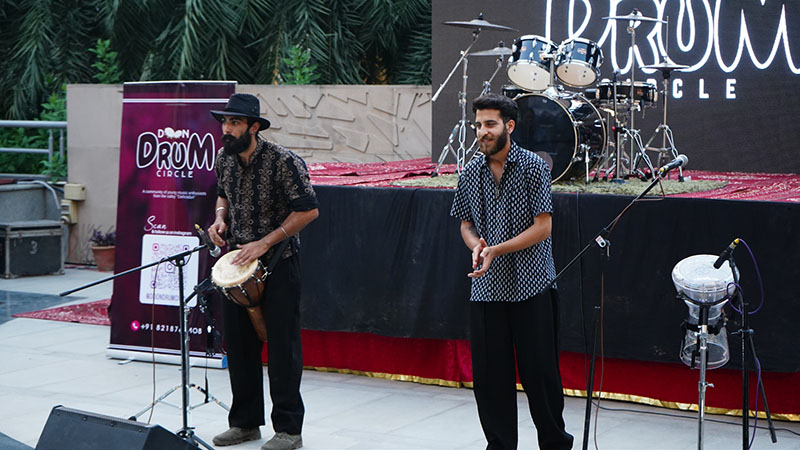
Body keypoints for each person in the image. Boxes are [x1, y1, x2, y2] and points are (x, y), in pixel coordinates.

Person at [450, 93, 573, 450]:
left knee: (541, 377)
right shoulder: (470, 171)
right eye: (478, 125)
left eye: (489, 124)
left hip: (532, 286)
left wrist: (496, 249)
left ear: (509, 126)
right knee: (490, 380)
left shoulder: (533, 166)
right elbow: (466, 224)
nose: (482, 132)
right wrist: (476, 245)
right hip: (487, 290)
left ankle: (554, 444)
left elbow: (543, 228)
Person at [208, 93, 319, 450]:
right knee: (239, 347)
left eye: (235, 123)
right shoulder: (224, 158)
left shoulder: (283, 161)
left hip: (279, 262)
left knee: (283, 349)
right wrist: (220, 218)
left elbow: (308, 211)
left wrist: (265, 243)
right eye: (225, 122)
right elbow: (222, 194)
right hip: (239, 265)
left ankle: (289, 430)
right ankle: (244, 424)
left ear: (254, 127)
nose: (227, 129)